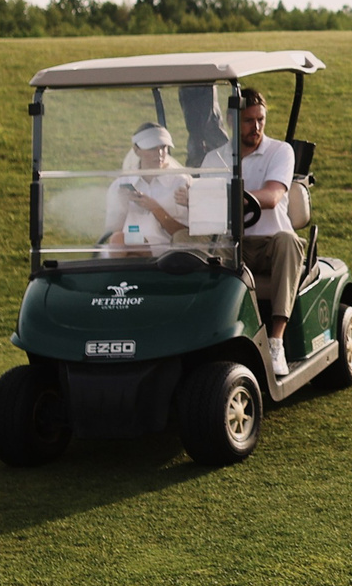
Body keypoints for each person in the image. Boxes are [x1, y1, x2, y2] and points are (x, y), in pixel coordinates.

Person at [200, 89, 306, 378]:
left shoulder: (279, 151)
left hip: (272, 244)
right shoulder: (215, 159)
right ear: (234, 121)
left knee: (289, 241)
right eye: (249, 121)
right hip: (235, 245)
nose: (256, 127)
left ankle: (276, 340)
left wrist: (227, 197)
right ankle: (210, 337)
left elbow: (271, 197)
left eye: (260, 120)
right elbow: (203, 205)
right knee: (201, 253)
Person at [104, 123, 190, 252]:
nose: (160, 153)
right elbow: (112, 233)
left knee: (122, 243)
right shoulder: (120, 184)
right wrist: (123, 207)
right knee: (119, 240)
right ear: (136, 150)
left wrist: (155, 209)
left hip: (168, 251)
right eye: (152, 148)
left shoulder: (181, 183)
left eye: (163, 147)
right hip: (129, 247)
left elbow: (186, 236)